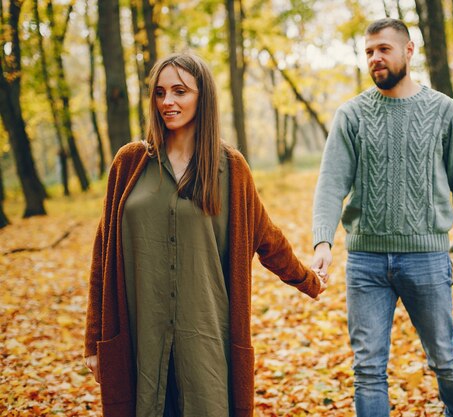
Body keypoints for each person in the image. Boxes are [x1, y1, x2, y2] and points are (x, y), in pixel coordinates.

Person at [84, 52, 326, 417]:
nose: (168, 102)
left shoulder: (230, 168)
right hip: (139, 337)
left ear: (203, 97)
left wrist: (309, 280)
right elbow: (102, 255)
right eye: (160, 92)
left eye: (180, 91)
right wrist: (95, 342)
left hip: (207, 340)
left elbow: (267, 237)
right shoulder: (130, 163)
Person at [311, 18, 453, 417]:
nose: (375, 58)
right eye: (369, 52)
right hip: (366, 262)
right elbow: (331, 183)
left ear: (409, 51)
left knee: (443, 356)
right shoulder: (351, 115)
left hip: (427, 258)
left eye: (384, 49)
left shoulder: (444, 111)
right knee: (367, 369)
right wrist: (323, 242)